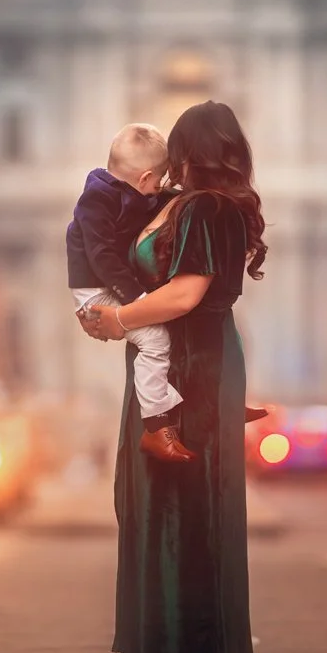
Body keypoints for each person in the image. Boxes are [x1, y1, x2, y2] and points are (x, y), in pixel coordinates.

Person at [83, 101, 268, 653]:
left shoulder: (208, 209)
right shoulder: (182, 206)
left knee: (185, 509)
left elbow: (186, 294)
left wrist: (118, 320)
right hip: (173, 366)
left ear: (189, 152)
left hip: (194, 366)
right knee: (151, 503)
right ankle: (171, 646)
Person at [66, 123, 267, 463]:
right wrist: (135, 301)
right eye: (159, 181)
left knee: (179, 334)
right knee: (156, 339)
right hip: (97, 292)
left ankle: (219, 401)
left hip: (114, 287)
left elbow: (169, 200)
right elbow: (102, 257)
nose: (162, 188)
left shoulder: (137, 191)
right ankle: (156, 425)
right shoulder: (96, 202)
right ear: (145, 177)